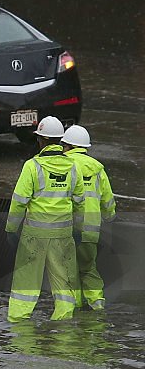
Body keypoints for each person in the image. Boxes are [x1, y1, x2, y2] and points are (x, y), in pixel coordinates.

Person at [5, 116, 85, 321]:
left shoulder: (32, 166)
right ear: (60, 140)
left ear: (40, 140)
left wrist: (11, 229)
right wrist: (78, 228)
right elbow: (80, 201)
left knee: (27, 280)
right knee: (63, 279)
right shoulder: (73, 167)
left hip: (35, 235)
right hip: (62, 234)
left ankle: (19, 324)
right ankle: (64, 325)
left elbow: (19, 202)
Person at [61, 124, 116, 310]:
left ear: (67, 145)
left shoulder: (63, 165)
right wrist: (109, 217)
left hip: (67, 229)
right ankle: (97, 305)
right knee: (88, 269)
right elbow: (108, 200)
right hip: (90, 230)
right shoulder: (97, 169)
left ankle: (73, 308)